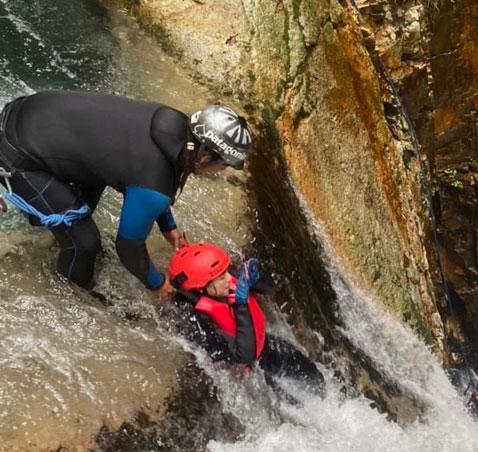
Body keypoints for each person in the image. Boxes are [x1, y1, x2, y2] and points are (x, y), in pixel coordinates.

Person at [0, 90, 251, 296]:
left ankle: (63, 249)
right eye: (223, 164)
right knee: (85, 242)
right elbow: (128, 248)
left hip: (24, 112)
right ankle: (69, 297)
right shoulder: (154, 184)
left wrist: (168, 226)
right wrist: (157, 283)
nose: (221, 171)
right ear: (205, 155)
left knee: (86, 198)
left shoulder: (173, 123)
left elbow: (148, 170)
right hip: (17, 155)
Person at [167, 242, 323, 389]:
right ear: (201, 289)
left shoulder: (221, 277)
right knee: (291, 406)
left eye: (226, 272)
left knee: (313, 375)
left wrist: (256, 278)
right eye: (222, 278)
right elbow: (244, 355)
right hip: (246, 374)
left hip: (264, 345)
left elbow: (268, 287)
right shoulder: (197, 320)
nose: (229, 278)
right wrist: (241, 303)